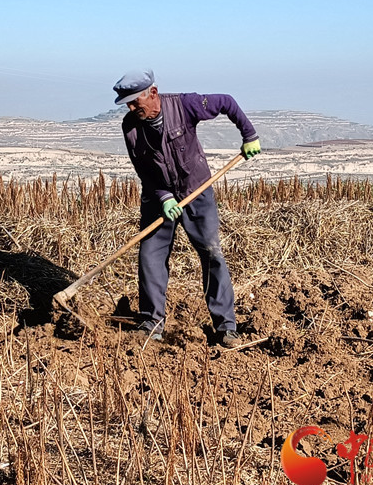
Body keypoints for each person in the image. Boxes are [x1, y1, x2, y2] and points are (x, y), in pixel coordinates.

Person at [112, 69, 261, 348]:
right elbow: (143, 169)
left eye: (134, 102)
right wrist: (164, 196)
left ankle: (226, 327)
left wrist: (249, 134)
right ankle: (152, 324)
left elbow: (226, 101)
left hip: (197, 191)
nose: (131, 109)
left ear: (152, 93)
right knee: (150, 257)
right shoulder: (130, 127)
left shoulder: (185, 105)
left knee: (211, 253)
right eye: (127, 104)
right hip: (158, 199)